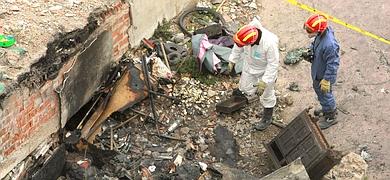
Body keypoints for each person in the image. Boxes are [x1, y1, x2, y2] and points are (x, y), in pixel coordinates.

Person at [228, 17, 279, 131]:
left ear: (251, 42)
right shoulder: (247, 32)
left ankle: (267, 116)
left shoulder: (269, 43)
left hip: (265, 71)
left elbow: (273, 65)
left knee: (267, 94)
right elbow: (238, 46)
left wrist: (264, 81)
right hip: (250, 66)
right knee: (245, 87)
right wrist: (232, 60)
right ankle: (250, 95)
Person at [303, 14, 340, 129]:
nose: (308, 32)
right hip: (318, 71)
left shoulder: (330, 45)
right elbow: (315, 43)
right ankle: (326, 108)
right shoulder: (321, 33)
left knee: (325, 94)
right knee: (321, 93)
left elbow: (333, 64)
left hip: (324, 76)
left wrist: (326, 79)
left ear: (319, 30)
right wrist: (310, 51)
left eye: (310, 30)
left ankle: (331, 116)